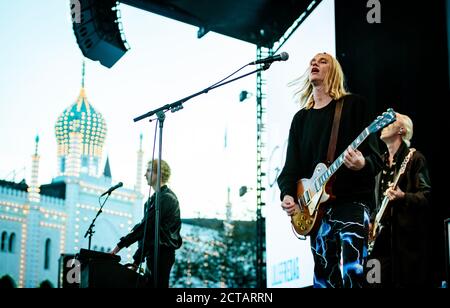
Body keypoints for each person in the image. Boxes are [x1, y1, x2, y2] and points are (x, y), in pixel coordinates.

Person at [277, 52, 383, 288]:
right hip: (317, 210)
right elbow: (290, 168)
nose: (314, 62)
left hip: (352, 203)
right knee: (323, 279)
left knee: (354, 272)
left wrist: (362, 164)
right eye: (312, 61)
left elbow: (376, 157)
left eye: (322, 61)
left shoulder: (354, 105)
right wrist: (288, 194)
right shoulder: (301, 119)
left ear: (333, 72)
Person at [368, 113, 432, 287]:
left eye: (390, 122)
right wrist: (371, 221)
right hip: (378, 244)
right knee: (372, 282)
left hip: (405, 245)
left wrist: (403, 196)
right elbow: (377, 202)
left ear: (402, 130)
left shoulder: (414, 158)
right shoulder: (379, 163)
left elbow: (426, 197)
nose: (384, 125)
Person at [111, 159, 182, 288]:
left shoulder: (167, 199)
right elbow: (147, 233)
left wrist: (119, 246)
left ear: (159, 174)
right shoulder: (150, 201)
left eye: (149, 170)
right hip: (152, 254)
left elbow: (145, 228)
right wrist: (136, 262)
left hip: (162, 255)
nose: (145, 175)